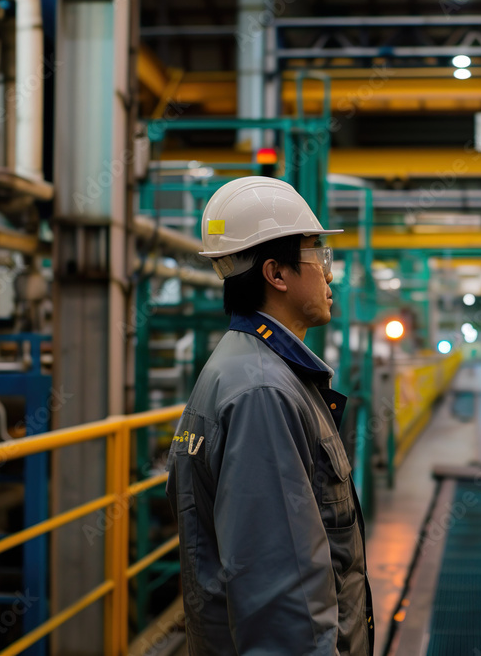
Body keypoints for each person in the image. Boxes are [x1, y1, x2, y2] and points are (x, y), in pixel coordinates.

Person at [165, 176, 374, 655]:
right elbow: (284, 600)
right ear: (276, 274)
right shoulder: (263, 392)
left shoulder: (250, 369)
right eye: (319, 257)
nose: (330, 275)